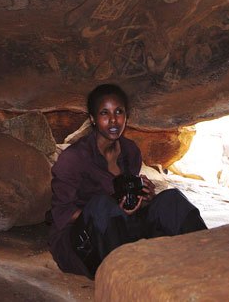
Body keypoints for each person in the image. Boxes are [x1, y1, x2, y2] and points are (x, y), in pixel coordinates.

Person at [49, 83, 207, 277]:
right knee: (101, 205)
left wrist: (144, 197)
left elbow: (128, 201)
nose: (113, 120)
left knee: (171, 200)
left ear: (126, 116)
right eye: (104, 113)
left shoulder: (130, 151)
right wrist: (113, 209)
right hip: (83, 242)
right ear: (93, 119)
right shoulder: (74, 158)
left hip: (120, 230)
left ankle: (207, 259)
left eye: (119, 112)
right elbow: (62, 212)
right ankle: (125, 278)